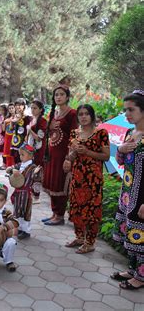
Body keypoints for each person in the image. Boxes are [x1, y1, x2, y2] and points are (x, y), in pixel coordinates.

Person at [64, 104, 109, 254]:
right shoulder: (74, 133)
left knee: (91, 209)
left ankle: (90, 242)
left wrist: (88, 151)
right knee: (76, 206)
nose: (83, 117)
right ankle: (79, 237)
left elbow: (106, 156)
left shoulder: (101, 132)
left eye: (86, 114)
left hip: (93, 179)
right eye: (80, 114)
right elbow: (70, 155)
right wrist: (71, 156)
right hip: (77, 177)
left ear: (92, 116)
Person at [111, 90, 144, 290]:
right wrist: (121, 150)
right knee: (131, 232)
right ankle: (132, 270)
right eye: (125, 111)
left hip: (141, 195)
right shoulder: (130, 133)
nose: (127, 115)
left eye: (131, 110)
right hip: (128, 192)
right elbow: (123, 162)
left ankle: (141, 277)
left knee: (141, 235)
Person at [42, 85, 78, 226]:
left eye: (62, 94)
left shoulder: (72, 114)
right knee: (52, 183)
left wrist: (69, 157)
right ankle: (54, 213)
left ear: (67, 97)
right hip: (51, 155)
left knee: (60, 183)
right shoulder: (54, 113)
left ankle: (60, 215)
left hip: (63, 155)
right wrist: (49, 128)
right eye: (56, 94)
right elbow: (48, 135)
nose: (58, 97)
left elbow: (74, 136)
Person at [7, 144, 42, 240]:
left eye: (23, 155)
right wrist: (12, 170)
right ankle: (20, 228)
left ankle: (26, 231)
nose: (21, 157)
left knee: (25, 212)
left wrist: (36, 195)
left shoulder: (34, 168)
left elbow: (37, 182)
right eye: (20, 155)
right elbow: (9, 169)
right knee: (18, 210)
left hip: (26, 194)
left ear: (31, 156)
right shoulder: (19, 165)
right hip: (18, 193)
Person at [26, 99, 47, 167]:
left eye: (35, 108)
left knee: (37, 168)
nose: (32, 110)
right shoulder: (32, 119)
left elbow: (39, 138)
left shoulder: (43, 121)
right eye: (31, 108)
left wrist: (30, 130)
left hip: (38, 149)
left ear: (40, 109)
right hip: (30, 148)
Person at [11, 98, 31, 164]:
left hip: (23, 139)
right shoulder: (14, 116)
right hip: (15, 139)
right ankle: (15, 171)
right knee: (15, 156)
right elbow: (11, 128)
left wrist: (27, 138)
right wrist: (13, 121)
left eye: (20, 105)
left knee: (23, 156)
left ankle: (21, 172)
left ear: (24, 106)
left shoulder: (27, 117)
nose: (18, 107)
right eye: (17, 105)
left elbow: (29, 129)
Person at [0, 104, 9, 170]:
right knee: (1, 149)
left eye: (2, 110)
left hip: (4, 135)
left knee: (4, 150)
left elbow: (4, 129)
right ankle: (3, 163)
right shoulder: (1, 117)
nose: (0, 111)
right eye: (0, 110)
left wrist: (2, 123)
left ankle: (5, 164)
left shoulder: (6, 118)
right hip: (0, 134)